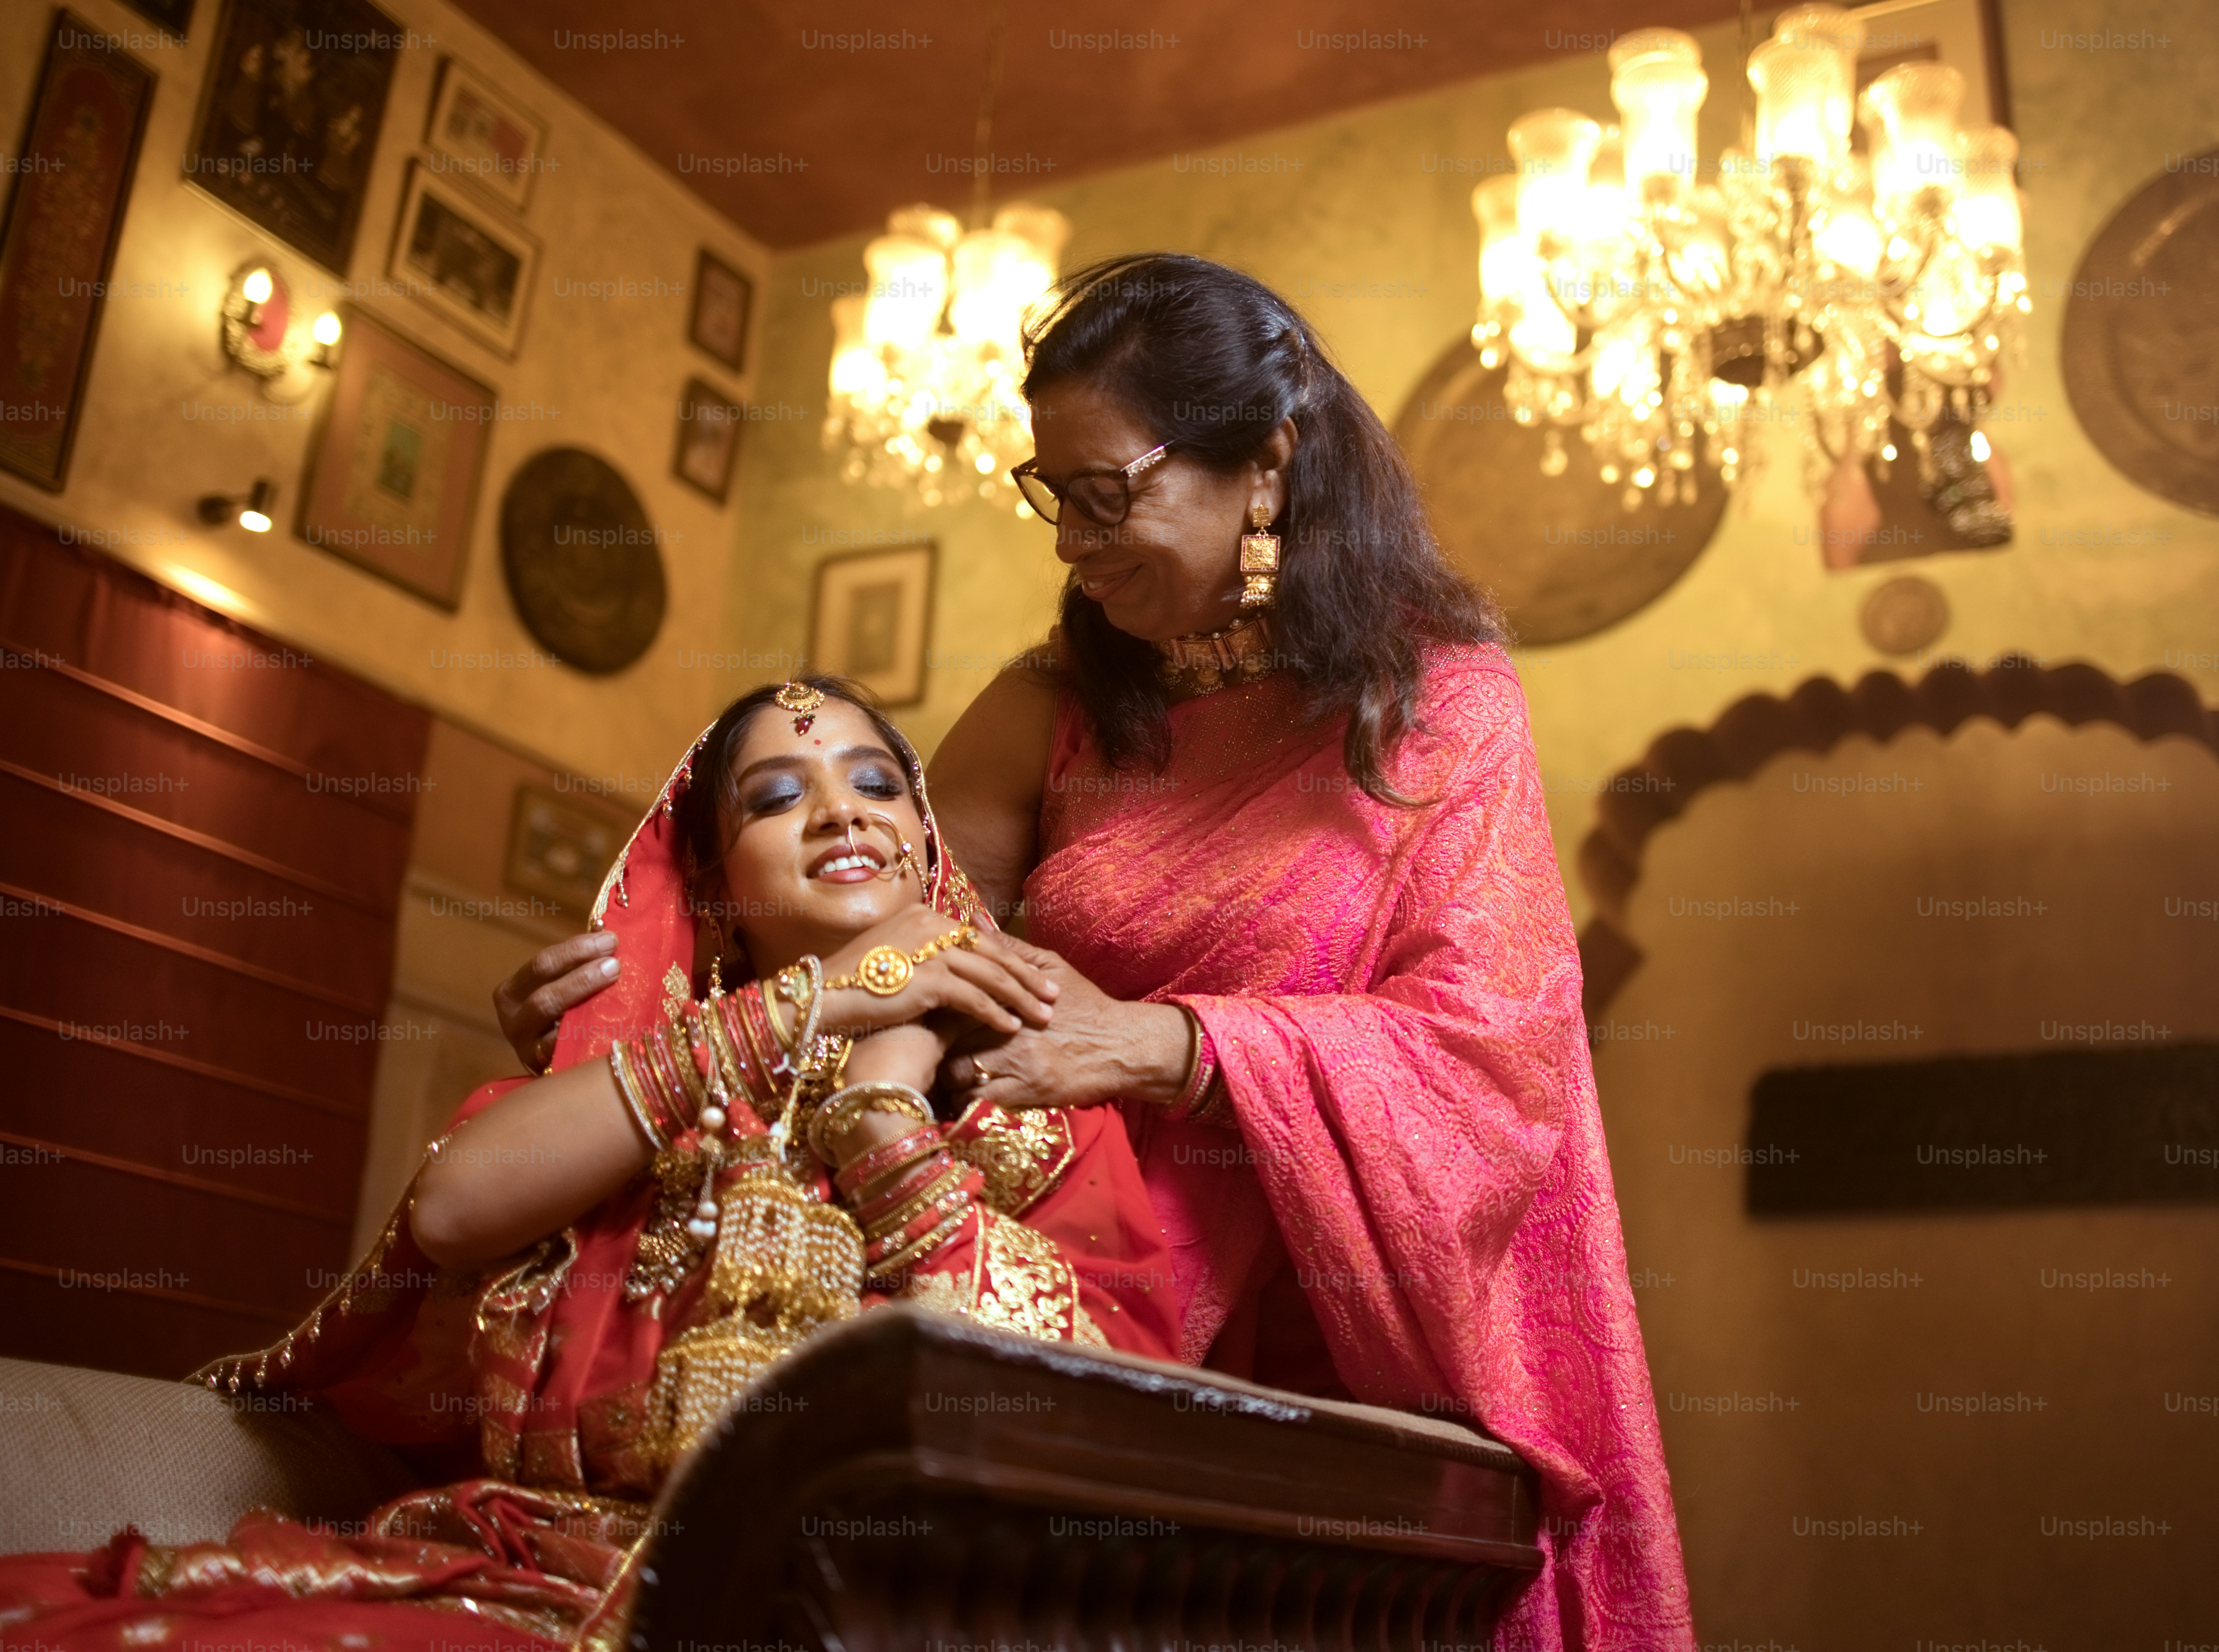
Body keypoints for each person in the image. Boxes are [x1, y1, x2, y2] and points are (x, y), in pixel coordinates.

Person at [498, 254, 1696, 1651]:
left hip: (1333, 1350)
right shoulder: (1050, 709)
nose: (1071, 544)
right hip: (1029, 1272)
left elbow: (1494, 1059)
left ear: (1267, 465)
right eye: (1051, 496)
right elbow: (873, 952)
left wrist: (1180, 1043)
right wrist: (614, 1024)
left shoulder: (1440, 711)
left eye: (1108, 493)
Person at [0, 676, 1178, 1648]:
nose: (841, 813)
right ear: (714, 884)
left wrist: (883, 1102)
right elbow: (456, 1211)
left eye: (878, 785)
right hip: (527, 1576)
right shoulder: (656, 1085)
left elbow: (1069, 1418)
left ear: (929, 844)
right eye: (779, 797)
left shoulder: (1037, 1103)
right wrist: (819, 1003)